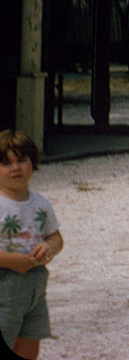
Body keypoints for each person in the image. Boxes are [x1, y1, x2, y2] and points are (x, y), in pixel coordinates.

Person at [0, 130, 63, 360]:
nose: (15, 168)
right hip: (4, 285)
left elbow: (55, 237)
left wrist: (50, 248)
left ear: (32, 163)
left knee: (28, 346)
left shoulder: (40, 203)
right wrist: (11, 261)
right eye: (6, 163)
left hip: (35, 286)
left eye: (21, 161)